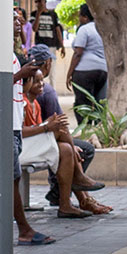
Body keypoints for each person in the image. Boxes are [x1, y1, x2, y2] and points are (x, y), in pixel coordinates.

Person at [21, 45, 109, 216]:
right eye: (35, 81)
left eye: (40, 81)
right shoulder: (22, 101)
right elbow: (18, 130)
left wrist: (46, 126)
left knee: (68, 149)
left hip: (35, 143)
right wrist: (46, 127)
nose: (40, 85)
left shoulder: (35, 102)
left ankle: (66, 204)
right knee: (62, 129)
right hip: (23, 147)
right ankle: (80, 188)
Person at [67, 4, 108, 120]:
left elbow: (78, 53)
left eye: (80, 15)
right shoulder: (102, 29)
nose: (79, 18)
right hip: (102, 70)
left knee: (83, 104)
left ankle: (85, 129)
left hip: (84, 71)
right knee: (99, 102)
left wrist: (69, 73)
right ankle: (99, 127)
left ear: (85, 17)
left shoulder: (84, 29)